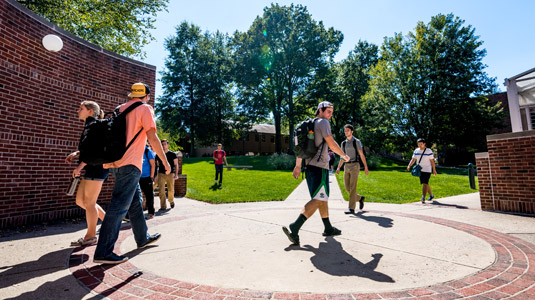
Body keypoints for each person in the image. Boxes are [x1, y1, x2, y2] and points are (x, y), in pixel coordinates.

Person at [93, 82, 171, 264]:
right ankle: (103, 252)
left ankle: (142, 238)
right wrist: (164, 162)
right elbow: (152, 137)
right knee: (119, 205)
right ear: (147, 95)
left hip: (114, 162)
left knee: (134, 202)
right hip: (130, 163)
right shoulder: (145, 108)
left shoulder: (120, 109)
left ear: (131, 95)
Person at [282, 101, 350, 246]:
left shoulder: (309, 125)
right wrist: (343, 156)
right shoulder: (323, 123)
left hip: (309, 168)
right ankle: (295, 227)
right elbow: (331, 143)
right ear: (320, 110)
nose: (330, 115)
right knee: (319, 199)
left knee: (322, 198)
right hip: (320, 168)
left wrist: (298, 166)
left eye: (332, 112)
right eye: (328, 111)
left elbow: (301, 148)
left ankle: (328, 228)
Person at [65, 101, 109, 247]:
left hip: (97, 167)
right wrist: (77, 153)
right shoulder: (89, 126)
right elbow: (90, 147)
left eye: (81, 108)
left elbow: (95, 151)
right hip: (91, 167)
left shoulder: (94, 125)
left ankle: (90, 236)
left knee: (89, 203)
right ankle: (109, 222)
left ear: (90, 111)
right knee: (80, 201)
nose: (78, 111)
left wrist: (79, 166)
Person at [336, 124, 369, 214]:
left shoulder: (356, 142)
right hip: (346, 166)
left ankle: (351, 208)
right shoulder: (343, 143)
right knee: (347, 188)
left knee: (352, 187)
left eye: (348, 130)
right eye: (345, 131)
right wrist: (339, 167)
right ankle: (360, 198)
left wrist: (366, 167)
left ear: (352, 131)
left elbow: (361, 154)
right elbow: (342, 156)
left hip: (355, 165)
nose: (346, 132)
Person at [407, 138, 437, 203]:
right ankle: (431, 195)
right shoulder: (416, 151)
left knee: (425, 183)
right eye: (418, 144)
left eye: (421, 144)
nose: (420, 145)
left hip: (427, 169)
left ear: (424, 144)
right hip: (420, 170)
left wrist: (434, 170)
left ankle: (423, 197)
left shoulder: (428, 151)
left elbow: (432, 161)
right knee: (425, 183)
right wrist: (409, 165)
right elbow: (413, 159)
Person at [155, 139, 178, 210]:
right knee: (161, 190)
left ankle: (171, 201)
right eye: (162, 144)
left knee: (171, 189)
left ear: (168, 145)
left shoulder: (173, 154)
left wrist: (176, 174)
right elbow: (157, 165)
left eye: (165, 144)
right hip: (161, 173)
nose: (164, 146)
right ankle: (163, 206)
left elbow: (176, 165)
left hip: (171, 174)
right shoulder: (158, 154)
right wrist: (156, 175)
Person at [140, 144, 156, 219]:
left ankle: (151, 212)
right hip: (137, 177)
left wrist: (151, 177)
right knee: (134, 196)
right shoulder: (137, 149)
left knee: (149, 195)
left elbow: (153, 165)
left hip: (147, 177)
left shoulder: (148, 151)